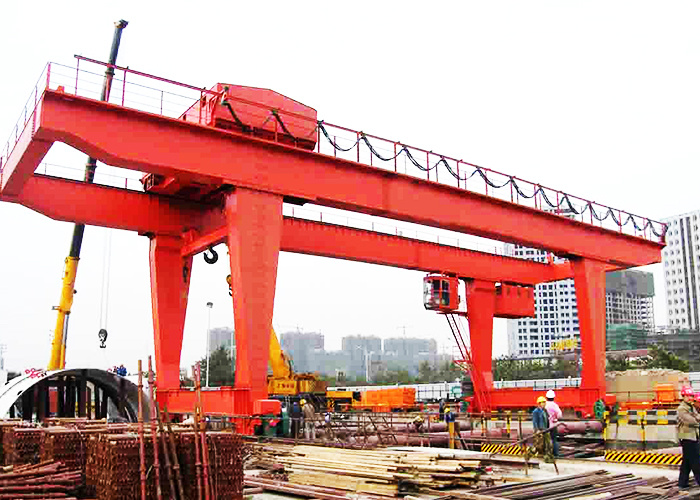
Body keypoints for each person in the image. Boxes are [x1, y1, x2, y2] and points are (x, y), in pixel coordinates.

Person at [677, 387, 700, 489]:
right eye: (688, 396)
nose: (690, 398)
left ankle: (682, 483)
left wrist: (696, 418)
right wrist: (696, 418)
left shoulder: (691, 407)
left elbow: (697, 417)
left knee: (686, 462)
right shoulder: (682, 409)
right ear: (683, 396)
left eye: (691, 396)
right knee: (696, 462)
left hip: (693, 437)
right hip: (687, 438)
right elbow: (691, 421)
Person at [530, 396, 554, 462]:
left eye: (544, 402)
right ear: (539, 403)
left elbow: (547, 419)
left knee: (548, 444)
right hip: (540, 430)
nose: (544, 403)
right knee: (539, 445)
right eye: (543, 402)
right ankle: (530, 454)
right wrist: (537, 430)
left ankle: (547, 458)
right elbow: (535, 421)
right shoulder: (536, 411)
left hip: (545, 430)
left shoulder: (545, 410)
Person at [544, 390, 563, 456]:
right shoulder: (555, 405)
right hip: (553, 425)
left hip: (545, 426)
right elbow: (559, 415)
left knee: (545, 439)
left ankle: (546, 453)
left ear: (546, 397)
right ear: (553, 397)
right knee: (554, 439)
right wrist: (556, 419)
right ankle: (555, 454)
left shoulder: (544, 405)